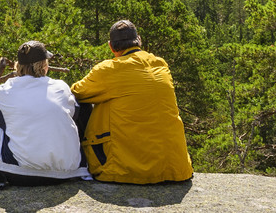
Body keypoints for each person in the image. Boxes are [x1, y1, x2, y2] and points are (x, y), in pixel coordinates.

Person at [71, 20, 193, 184]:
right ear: (139, 41)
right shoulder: (160, 64)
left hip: (126, 171)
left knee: (80, 102)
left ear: (111, 47)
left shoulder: (109, 69)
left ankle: (74, 166)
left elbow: (76, 92)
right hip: (176, 169)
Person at [0, 40, 90, 186]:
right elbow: (76, 114)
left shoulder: (3, 92)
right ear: (44, 66)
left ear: (18, 67)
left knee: (6, 121)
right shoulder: (61, 88)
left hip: (17, 172)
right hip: (66, 172)